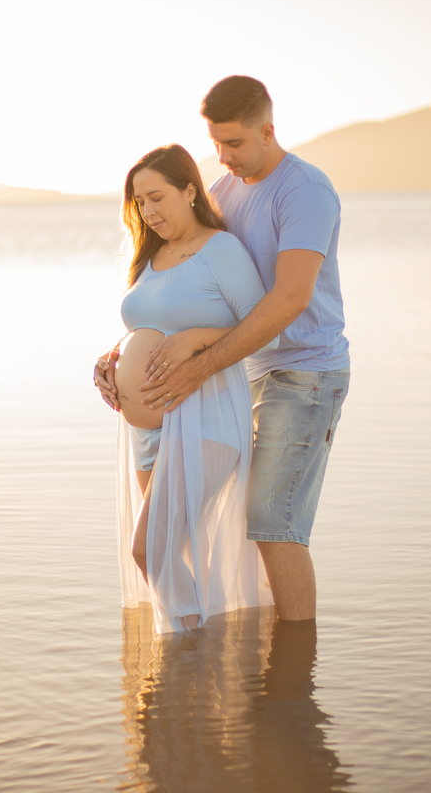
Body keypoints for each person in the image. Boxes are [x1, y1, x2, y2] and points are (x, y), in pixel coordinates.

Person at [96, 76, 350, 623]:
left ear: (268, 131)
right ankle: (225, 646)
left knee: (273, 523)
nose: (224, 157)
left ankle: (295, 662)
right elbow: (191, 294)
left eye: (234, 143)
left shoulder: (304, 191)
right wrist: (122, 355)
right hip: (240, 370)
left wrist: (199, 360)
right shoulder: (226, 193)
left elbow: (289, 299)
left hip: (303, 371)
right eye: (215, 143)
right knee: (218, 530)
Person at [97, 144, 276, 634]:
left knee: (149, 547)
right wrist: (111, 360)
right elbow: (148, 328)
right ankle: (196, 655)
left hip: (206, 416)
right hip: (148, 430)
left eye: (157, 197)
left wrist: (197, 339)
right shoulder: (149, 257)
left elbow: (266, 331)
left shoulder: (221, 250)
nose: (148, 211)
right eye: (139, 202)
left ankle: (192, 652)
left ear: (190, 191)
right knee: (168, 550)